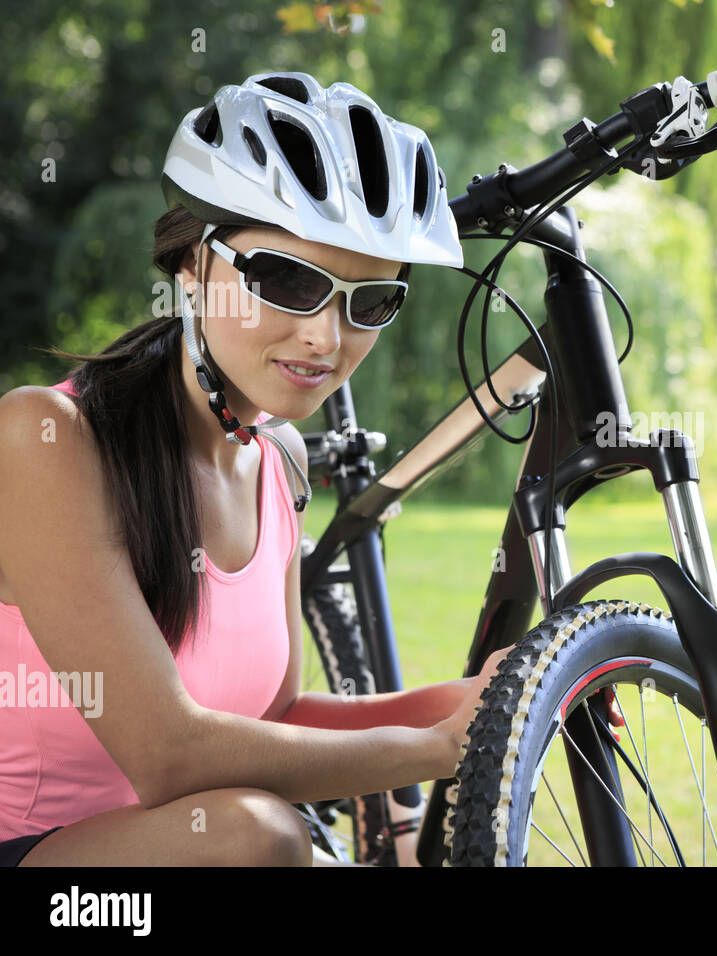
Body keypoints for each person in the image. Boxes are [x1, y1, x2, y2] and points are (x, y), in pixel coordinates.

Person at [0, 72, 510, 866]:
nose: (325, 338)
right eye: (291, 282)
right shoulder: (46, 438)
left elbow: (276, 724)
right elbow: (171, 756)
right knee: (255, 836)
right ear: (191, 267)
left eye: (368, 301)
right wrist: (432, 750)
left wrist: (494, 704)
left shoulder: (278, 460)